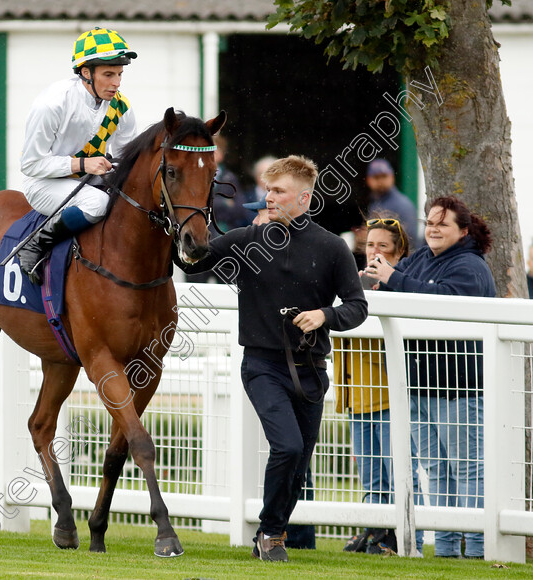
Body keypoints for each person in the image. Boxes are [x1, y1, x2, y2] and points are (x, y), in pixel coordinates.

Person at [178, 155, 368, 562]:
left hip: (311, 369)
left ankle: (272, 530)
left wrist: (325, 315)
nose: (269, 198)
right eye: (267, 190)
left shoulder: (332, 247)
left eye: (278, 191)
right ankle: (272, 534)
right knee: (288, 447)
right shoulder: (248, 238)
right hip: (262, 365)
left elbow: (357, 306)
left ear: (303, 197)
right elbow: (193, 259)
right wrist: (189, 222)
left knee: (299, 461)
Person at [364, 195, 495, 559]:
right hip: (418, 385)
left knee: (468, 471)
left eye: (443, 224)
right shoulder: (422, 258)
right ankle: (449, 549)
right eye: (430, 223)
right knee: (435, 471)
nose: (434, 229)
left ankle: (477, 549)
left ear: (463, 231)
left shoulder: (470, 266)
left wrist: (393, 278)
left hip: (458, 389)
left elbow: (444, 301)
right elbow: (401, 289)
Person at [16, 27, 138, 284]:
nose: (116, 83)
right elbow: (30, 164)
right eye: (108, 74)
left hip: (89, 179)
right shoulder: (52, 104)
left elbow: (128, 158)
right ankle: (35, 244)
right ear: (85, 72)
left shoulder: (121, 105)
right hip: (44, 183)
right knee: (98, 204)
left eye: (119, 74)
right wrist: (83, 163)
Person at [335, 215, 424, 555]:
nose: (374, 252)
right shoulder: (353, 280)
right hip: (356, 390)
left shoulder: (404, 282)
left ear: (399, 252)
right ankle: (375, 533)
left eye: (383, 246)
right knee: (372, 474)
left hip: (390, 392)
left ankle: (405, 539)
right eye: (370, 245)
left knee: (398, 470)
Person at [365, 159, 419, 245]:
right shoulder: (375, 202)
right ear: (368, 180)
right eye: (376, 177)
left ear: (392, 177)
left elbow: (409, 241)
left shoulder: (402, 204)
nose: (380, 181)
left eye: (384, 176)